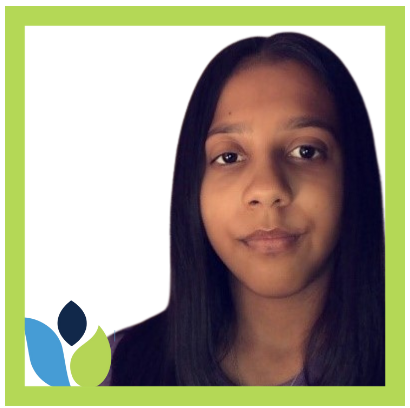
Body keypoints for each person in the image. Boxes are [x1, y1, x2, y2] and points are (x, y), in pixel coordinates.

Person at [100, 32, 385, 386]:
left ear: (353, 174)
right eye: (230, 156)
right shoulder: (117, 369)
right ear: (194, 186)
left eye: (306, 151)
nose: (267, 190)